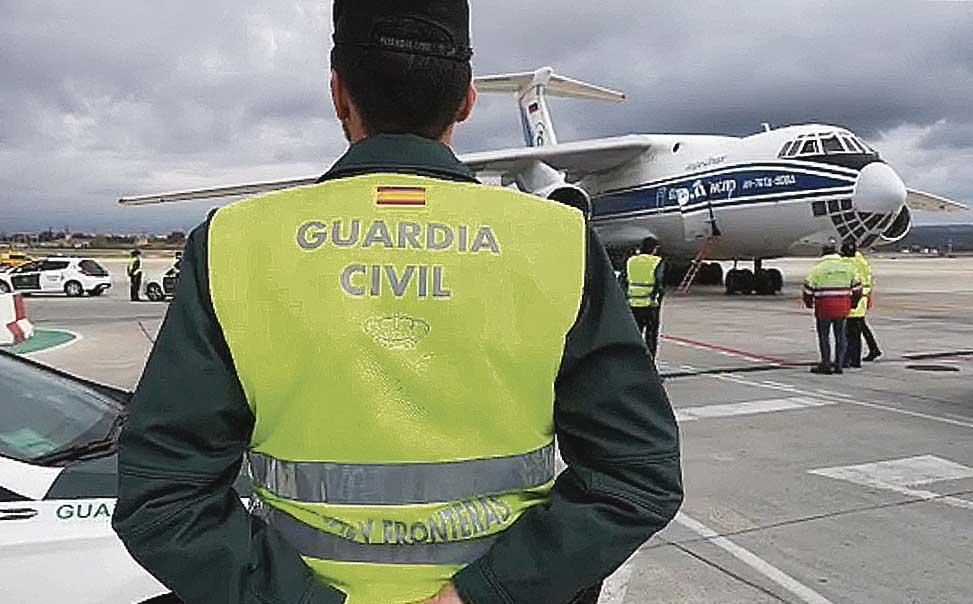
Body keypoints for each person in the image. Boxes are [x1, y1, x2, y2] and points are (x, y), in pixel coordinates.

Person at [112, 3, 683, 604]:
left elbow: (162, 498)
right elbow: (638, 475)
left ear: (338, 94)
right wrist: (490, 589)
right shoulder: (560, 243)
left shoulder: (234, 243)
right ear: (466, 100)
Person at [803, 242, 863, 375]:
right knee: (841, 336)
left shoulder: (818, 268)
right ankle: (839, 365)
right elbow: (858, 288)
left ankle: (825, 364)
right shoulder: (848, 267)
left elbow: (808, 287)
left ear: (823, 253)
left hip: (824, 307)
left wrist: (809, 302)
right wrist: (853, 303)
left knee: (824, 336)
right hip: (842, 307)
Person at [841, 241, 882, 367]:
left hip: (852, 297)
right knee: (859, 326)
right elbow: (868, 279)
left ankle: (849, 358)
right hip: (863, 297)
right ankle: (871, 350)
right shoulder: (862, 261)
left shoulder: (848, 263)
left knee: (851, 330)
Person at [626, 237, 666, 358]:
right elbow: (659, 282)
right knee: (651, 337)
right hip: (650, 305)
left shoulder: (631, 261)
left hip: (633, 304)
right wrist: (657, 298)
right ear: (655, 249)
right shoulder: (657, 261)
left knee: (634, 336)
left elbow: (623, 281)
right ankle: (649, 363)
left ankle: (632, 361)